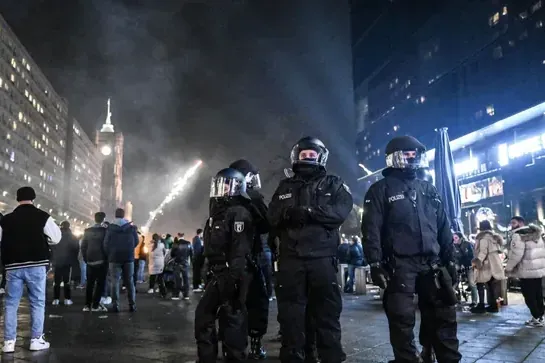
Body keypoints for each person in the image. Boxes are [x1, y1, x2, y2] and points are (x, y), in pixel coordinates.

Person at [360, 135, 461, 363]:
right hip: (399, 264)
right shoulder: (379, 190)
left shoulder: (428, 188)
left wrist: (451, 259)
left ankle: (446, 358)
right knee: (401, 319)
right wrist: (375, 264)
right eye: (406, 154)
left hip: (432, 264)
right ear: (394, 157)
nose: (412, 157)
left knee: (443, 316)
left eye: (415, 154)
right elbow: (371, 230)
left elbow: (443, 226)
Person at [268, 136, 353, 363]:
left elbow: (340, 213)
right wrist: (287, 214)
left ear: (320, 157)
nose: (307, 158)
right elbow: (272, 216)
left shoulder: (334, 184)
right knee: (291, 315)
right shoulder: (284, 186)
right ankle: (294, 356)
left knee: (327, 313)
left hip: (322, 260)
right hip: (291, 260)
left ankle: (330, 357)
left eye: (312, 155)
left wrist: (306, 212)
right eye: (303, 154)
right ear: (297, 156)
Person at [195, 168, 255, 363]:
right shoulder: (216, 213)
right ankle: (207, 357)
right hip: (217, 272)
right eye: (219, 184)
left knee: (232, 318)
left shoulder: (239, 213)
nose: (222, 188)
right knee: (206, 316)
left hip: (232, 273)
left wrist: (234, 277)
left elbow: (240, 248)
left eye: (227, 184)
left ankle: (234, 357)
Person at [0, 186, 62, 353]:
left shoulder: (6, 219)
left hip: (13, 266)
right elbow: (56, 237)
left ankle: (8, 342)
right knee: (37, 302)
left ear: (17, 198)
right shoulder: (43, 217)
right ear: (33, 198)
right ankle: (36, 339)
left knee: (11, 304)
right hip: (36, 264)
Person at [230, 158, 271, 359]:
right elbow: (267, 224)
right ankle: (254, 344)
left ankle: (234, 346)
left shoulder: (221, 198)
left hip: (230, 260)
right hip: (252, 258)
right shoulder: (252, 198)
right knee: (256, 301)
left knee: (233, 302)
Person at [505, 216, 545, 326]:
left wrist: (508, 268)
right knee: (538, 294)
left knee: (529, 296)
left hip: (526, 271)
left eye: (514, 223)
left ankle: (536, 317)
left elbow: (516, 255)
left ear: (521, 223)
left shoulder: (519, 236)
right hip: (537, 270)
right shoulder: (536, 234)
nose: (512, 225)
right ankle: (539, 316)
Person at [104, 208, 139, 312]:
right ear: (124, 216)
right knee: (129, 281)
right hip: (128, 258)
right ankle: (132, 305)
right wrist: (129, 249)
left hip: (114, 258)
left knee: (115, 281)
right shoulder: (131, 228)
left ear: (115, 215)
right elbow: (136, 242)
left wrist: (109, 254)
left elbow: (105, 244)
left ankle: (115, 305)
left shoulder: (110, 228)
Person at [471, 220, 505, 314]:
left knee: (480, 283)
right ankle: (493, 305)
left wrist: (477, 262)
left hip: (486, 264)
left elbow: (483, 252)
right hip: (495, 263)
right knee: (491, 285)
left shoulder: (483, 238)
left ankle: (481, 305)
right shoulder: (494, 238)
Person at [81, 212, 109, 312]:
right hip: (102, 261)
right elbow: (106, 246)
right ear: (103, 219)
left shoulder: (87, 230)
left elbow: (83, 246)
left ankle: (87, 305)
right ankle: (95, 305)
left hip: (90, 261)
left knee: (90, 284)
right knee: (100, 284)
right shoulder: (105, 231)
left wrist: (85, 258)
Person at [51, 221, 79, 306]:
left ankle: (56, 299)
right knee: (67, 281)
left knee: (57, 281)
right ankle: (67, 299)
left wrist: (53, 259)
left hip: (58, 262)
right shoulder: (73, 237)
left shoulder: (56, 236)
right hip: (68, 262)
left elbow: (52, 248)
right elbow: (76, 250)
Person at [170, 234, 192, 300]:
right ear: (183, 236)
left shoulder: (175, 243)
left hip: (177, 263)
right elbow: (191, 253)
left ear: (178, 236)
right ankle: (186, 295)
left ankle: (176, 294)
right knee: (186, 279)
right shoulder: (188, 243)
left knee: (177, 279)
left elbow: (172, 254)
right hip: (185, 263)